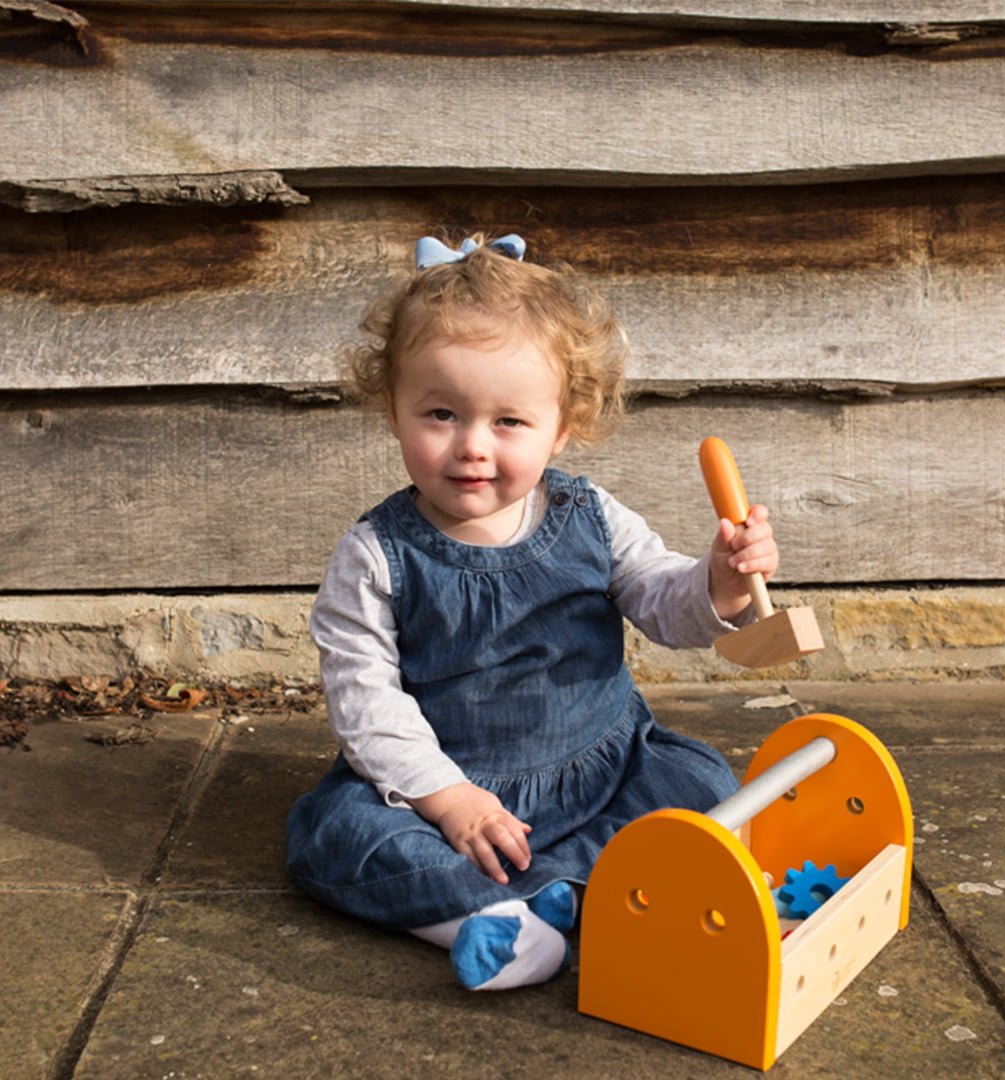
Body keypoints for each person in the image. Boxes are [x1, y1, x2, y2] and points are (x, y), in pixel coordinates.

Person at [286, 233, 779, 991]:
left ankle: (556, 889)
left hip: (598, 770)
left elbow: (663, 603)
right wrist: (447, 799)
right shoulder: (376, 554)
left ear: (564, 423)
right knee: (339, 837)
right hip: (445, 790)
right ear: (393, 410)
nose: (472, 447)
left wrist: (719, 580)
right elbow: (365, 699)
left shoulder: (590, 515)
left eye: (509, 422)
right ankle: (505, 917)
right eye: (442, 413)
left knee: (702, 785)